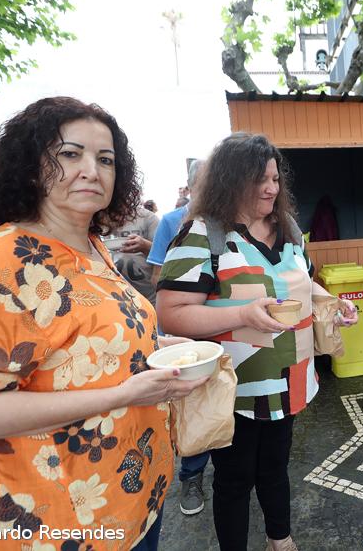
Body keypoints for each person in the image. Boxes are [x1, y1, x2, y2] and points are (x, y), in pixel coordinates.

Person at [0, 97, 209, 551]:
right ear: (31, 167)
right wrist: (122, 395)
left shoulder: (92, 247)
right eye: (70, 154)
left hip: (136, 499)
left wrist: (154, 343)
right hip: (61, 523)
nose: (91, 170)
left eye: (105, 159)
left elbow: (77, 343)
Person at [156, 133, 357, 551]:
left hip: (290, 381)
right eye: (259, 180)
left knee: (276, 467)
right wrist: (242, 316)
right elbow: (171, 312)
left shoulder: (289, 229)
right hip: (235, 388)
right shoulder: (203, 234)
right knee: (234, 479)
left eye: (275, 179)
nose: (271, 189)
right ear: (230, 180)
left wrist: (331, 303)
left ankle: (280, 539)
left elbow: (304, 284)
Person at [146, 159, 211, 516]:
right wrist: (194, 287)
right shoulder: (172, 222)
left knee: (220, 402)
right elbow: (157, 277)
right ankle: (192, 476)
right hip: (185, 333)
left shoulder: (232, 221)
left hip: (222, 329)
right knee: (192, 406)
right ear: (192, 187)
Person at [109, 206, 159, 304]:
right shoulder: (97, 217)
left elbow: (164, 254)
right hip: (113, 295)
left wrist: (145, 245)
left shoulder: (147, 217)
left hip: (148, 296)